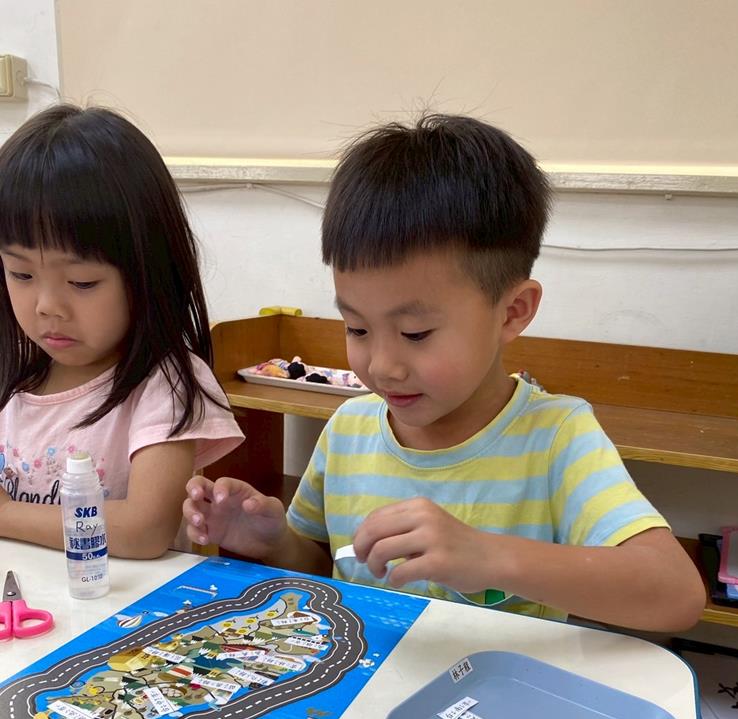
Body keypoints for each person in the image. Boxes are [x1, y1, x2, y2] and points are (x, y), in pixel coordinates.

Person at [184, 113, 705, 631]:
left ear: (512, 311)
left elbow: (676, 594)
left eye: (415, 333)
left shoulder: (556, 438)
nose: (381, 366)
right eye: (357, 328)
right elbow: (328, 570)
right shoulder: (348, 431)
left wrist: (490, 557)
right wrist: (275, 544)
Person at [0, 104, 243, 558]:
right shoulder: (15, 373)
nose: (47, 306)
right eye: (21, 274)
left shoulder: (164, 384)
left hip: (127, 602)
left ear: (148, 272)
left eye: (81, 282)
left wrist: (7, 514)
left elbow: (143, 530)